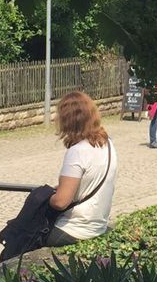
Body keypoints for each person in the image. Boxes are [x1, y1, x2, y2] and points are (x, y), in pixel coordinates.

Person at [47, 91, 118, 243]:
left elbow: (61, 202)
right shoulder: (108, 144)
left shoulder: (78, 151)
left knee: (23, 236)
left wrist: (45, 197)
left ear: (67, 120)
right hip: (98, 225)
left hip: (75, 229)